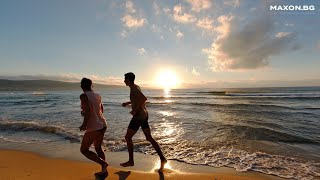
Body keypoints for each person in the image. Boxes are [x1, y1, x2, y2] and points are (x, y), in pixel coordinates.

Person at [120, 72, 167, 170]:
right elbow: (138, 99)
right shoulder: (136, 87)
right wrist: (128, 103)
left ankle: (131, 161)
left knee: (128, 137)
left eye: (125, 79)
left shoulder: (134, 89)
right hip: (144, 115)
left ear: (129, 79)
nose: (124, 81)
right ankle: (162, 158)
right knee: (149, 137)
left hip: (139, 116)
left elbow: (143, 99)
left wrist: (135, 110)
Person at [79, 78, 108, 176]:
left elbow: (88, 111)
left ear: (82, 86)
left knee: (84, 150)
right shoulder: (97, 95)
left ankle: (103, 164)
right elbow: (101, 110)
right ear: (92, 85)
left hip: (94, 127)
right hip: (103, 124)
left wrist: (84, 124)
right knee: (98, 148)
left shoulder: (84, 96)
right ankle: (104, 170)